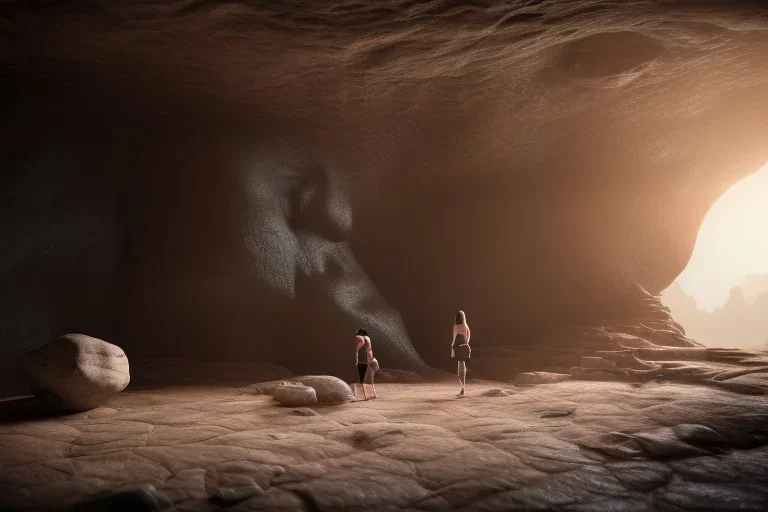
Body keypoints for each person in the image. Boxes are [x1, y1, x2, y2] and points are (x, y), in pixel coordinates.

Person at [451, 310, 471, 397]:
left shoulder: (456, 326)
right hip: (466, 348)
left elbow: (454, 339)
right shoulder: (465, 325)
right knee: (463, 368)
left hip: (459, 348)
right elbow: (469, 333)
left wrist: (452, 350)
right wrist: (467, 342)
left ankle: (462, 388)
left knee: (460, 371)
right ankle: (463, 388)